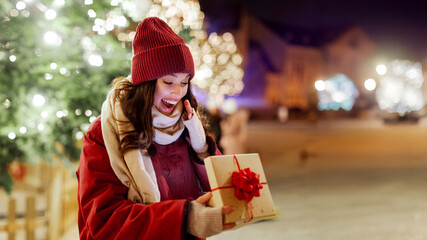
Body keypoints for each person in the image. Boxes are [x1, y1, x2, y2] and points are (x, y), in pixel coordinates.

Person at [77, 17, 235, 240]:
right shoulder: (104, 133)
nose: (177, 92)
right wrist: (184, 219)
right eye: (168, 82)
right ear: (147, 82)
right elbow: (104, 220)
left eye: (184, 82)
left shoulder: (188, 123)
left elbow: (220, 185)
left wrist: (202, 148)